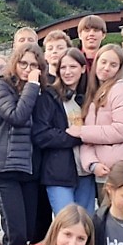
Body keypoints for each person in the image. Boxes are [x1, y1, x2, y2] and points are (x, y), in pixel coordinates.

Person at [0, 43, 45, 245]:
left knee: (29, 231)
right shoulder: (0, 85)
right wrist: (32, 86)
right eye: (23, 63)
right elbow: (16, 116)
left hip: (29, 169)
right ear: (14, 63)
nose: (27, 68)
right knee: (16, 232)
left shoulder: (38, 89)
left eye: (33, 65)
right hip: (4, 167)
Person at [70, 44, 123, 195]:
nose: (106, 68)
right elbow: (89, 140)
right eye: (103, 62)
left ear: (119, 69)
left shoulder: (121, 89)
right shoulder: (94, 94)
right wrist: (92, 164)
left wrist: (82, 131)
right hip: (103, 171)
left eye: (113, 65)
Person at [33, 47, 95, 214]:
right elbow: (41, 135)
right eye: (63, 68)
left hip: (86, 171)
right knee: (67, 222)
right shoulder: (49, 96)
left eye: (73, 67)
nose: (67, 72)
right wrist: (79, 136)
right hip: (58, 171)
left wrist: (84, 133)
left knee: (86, 223)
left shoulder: (89, 96)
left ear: (83, 68)